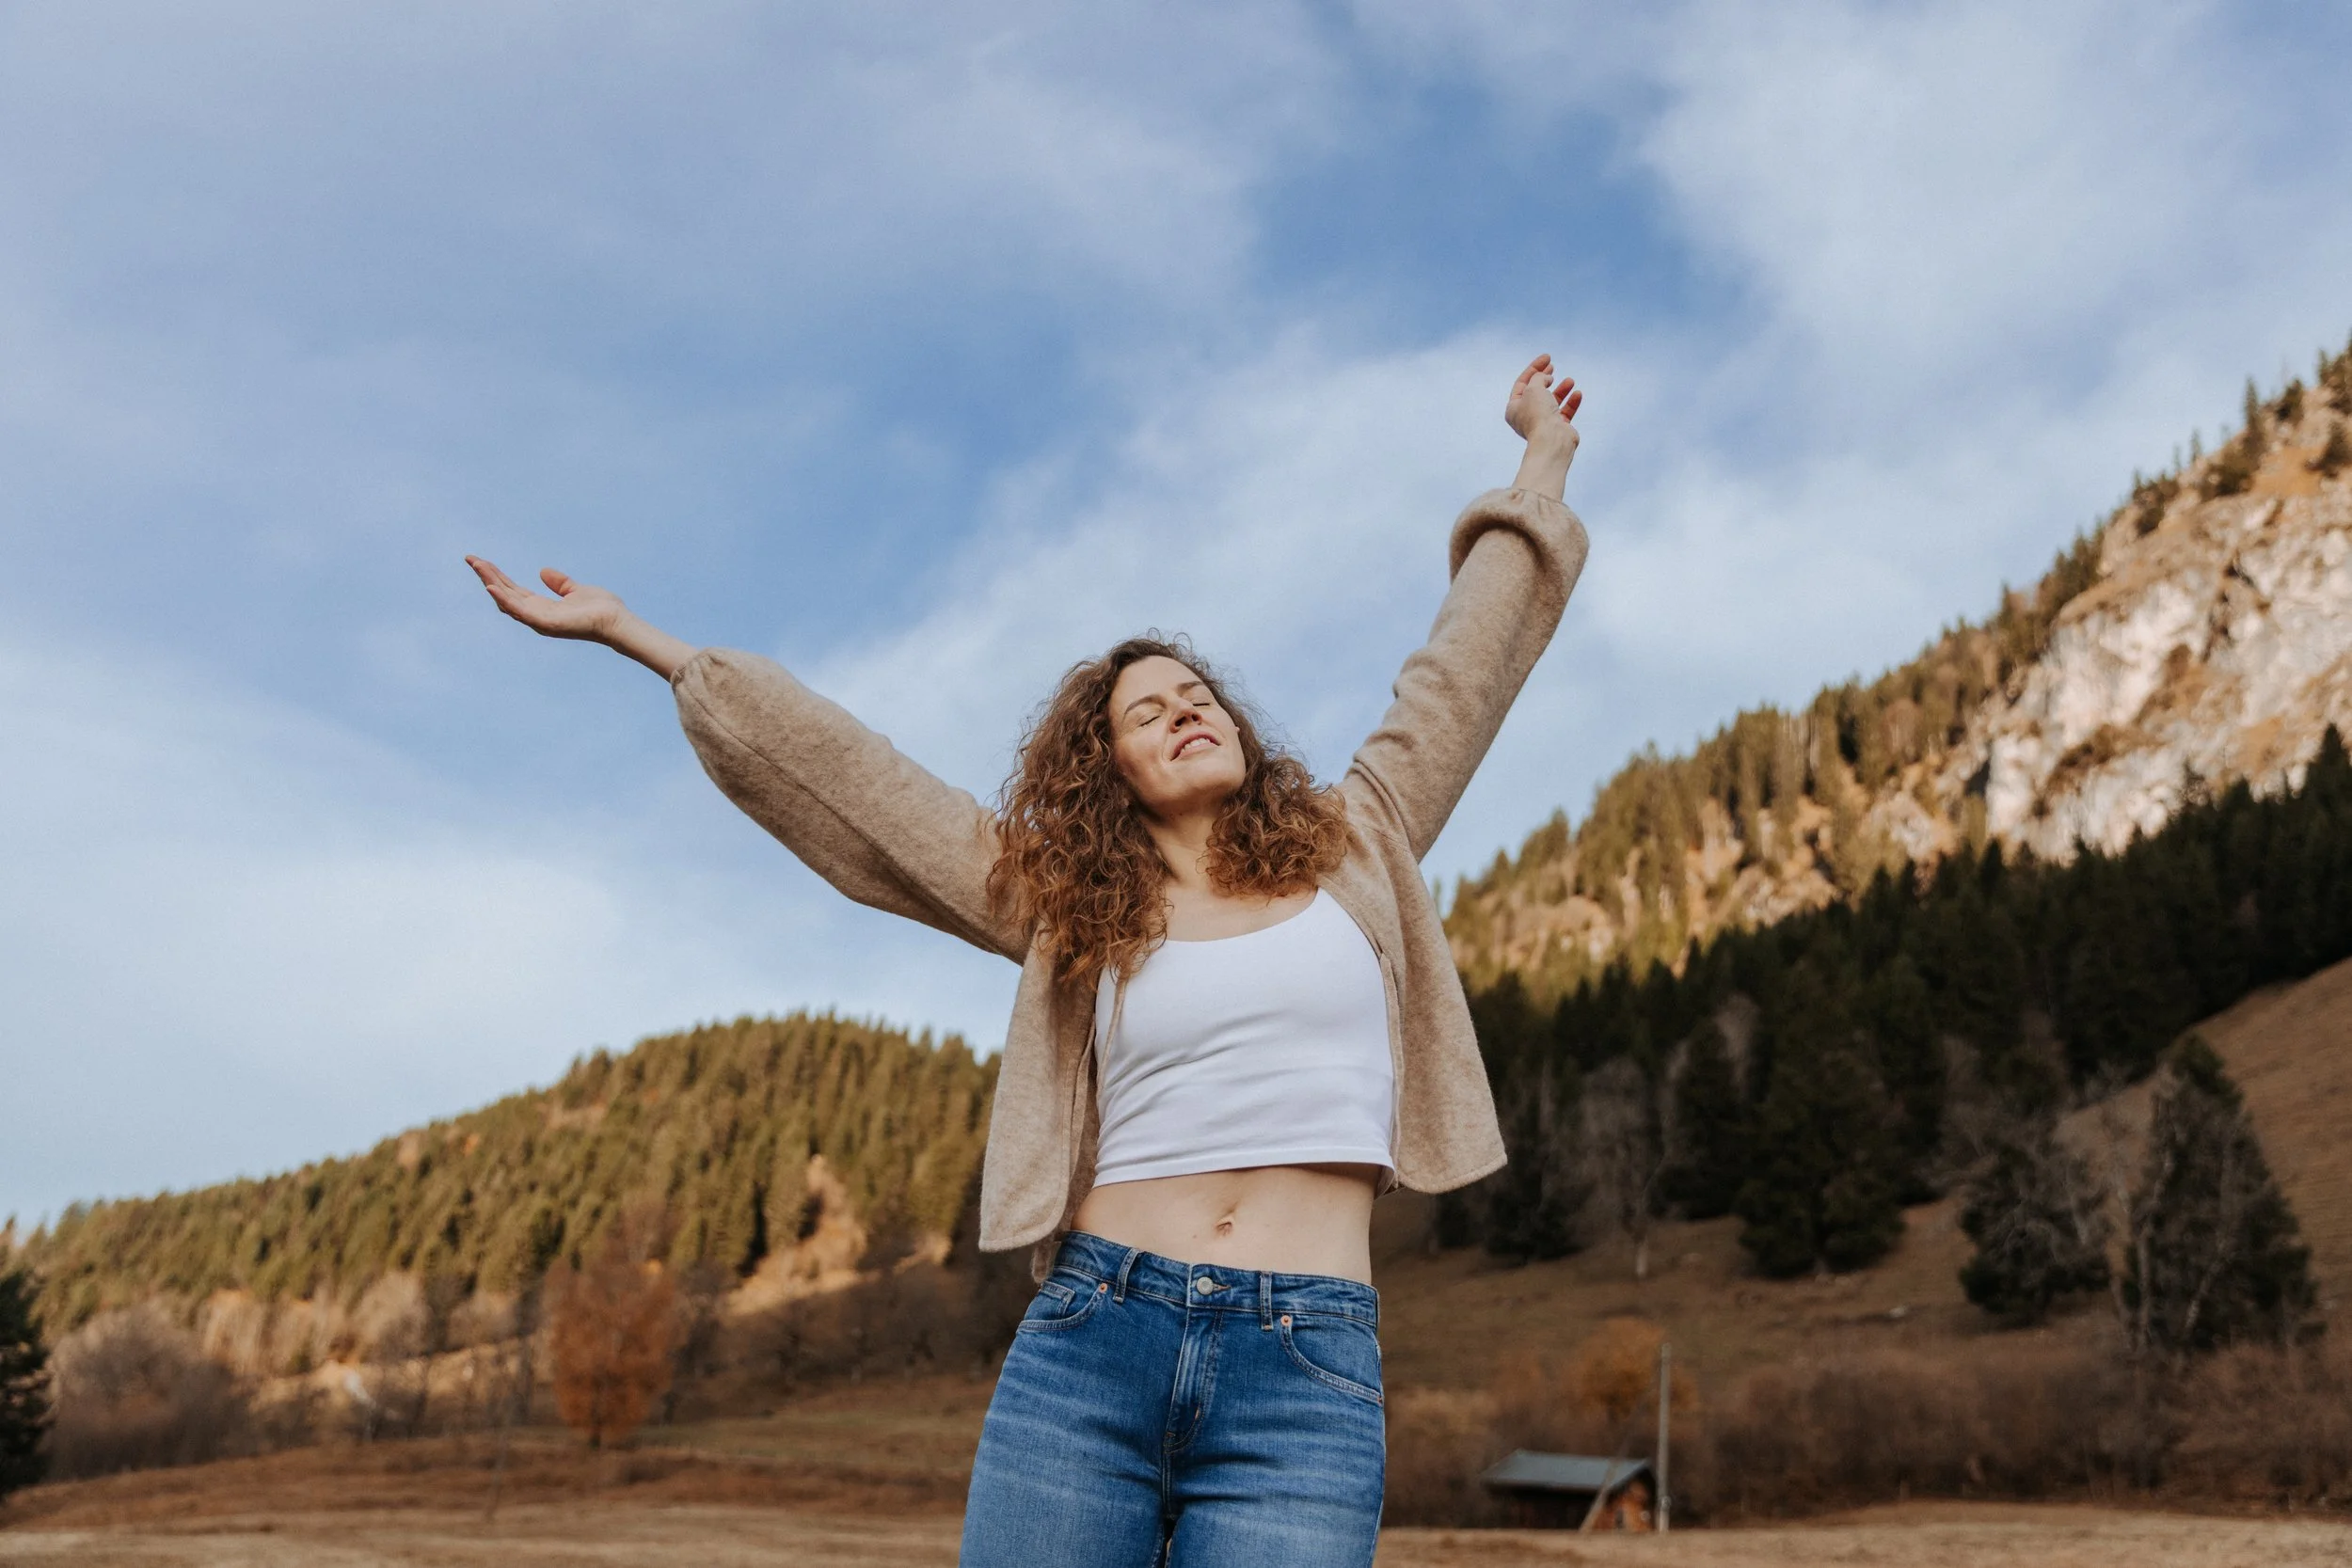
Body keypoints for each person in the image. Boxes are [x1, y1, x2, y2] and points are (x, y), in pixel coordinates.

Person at [465, 353, 1588, 1567]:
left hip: (1305, 1372)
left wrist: (1539, 464)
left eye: (1198, 693)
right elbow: (867, 792)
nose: (1185, 709)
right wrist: (648, 641)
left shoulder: (1361, 841)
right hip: (1094, 1346)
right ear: (1109, 773)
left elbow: (1460, 670)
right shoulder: (1068, 907)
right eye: (1145, 713)